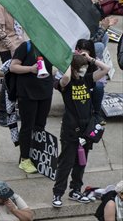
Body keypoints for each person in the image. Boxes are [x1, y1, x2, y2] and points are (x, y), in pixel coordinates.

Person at [52, 52, 109, 206]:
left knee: (81, 162)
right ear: (74, 68)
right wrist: (69, 62)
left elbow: (106, 68)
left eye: (85, 67)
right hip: (70, 130)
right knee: (66, 162)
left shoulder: (87, 80)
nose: (84, 70)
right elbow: (65, 79)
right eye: (81, 68)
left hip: (86, 130)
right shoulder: (66, 83)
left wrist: (90, 59)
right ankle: (57, 194)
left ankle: (75, 190)